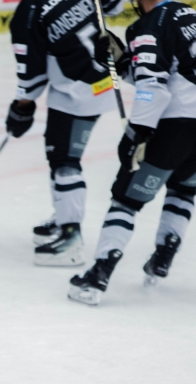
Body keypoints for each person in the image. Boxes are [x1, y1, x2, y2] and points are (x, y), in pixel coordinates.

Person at [69, 0, 196, 305]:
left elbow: (154, 85)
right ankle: (164, 254)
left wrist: (137, 132)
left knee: (126, 199)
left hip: (175, 126)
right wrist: (123, 60)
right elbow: (170, 68)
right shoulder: (190, 15)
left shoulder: (152, 23)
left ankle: (98, 275)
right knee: (183, 189)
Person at [7, 0, 124, 266]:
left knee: (64, 159)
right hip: (104, 79)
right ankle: (63, 217)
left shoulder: (29, 12)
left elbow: (30, 70)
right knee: (59, 151)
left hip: (77, 91)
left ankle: (71, 236)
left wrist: (21, 108)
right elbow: (113, 5)